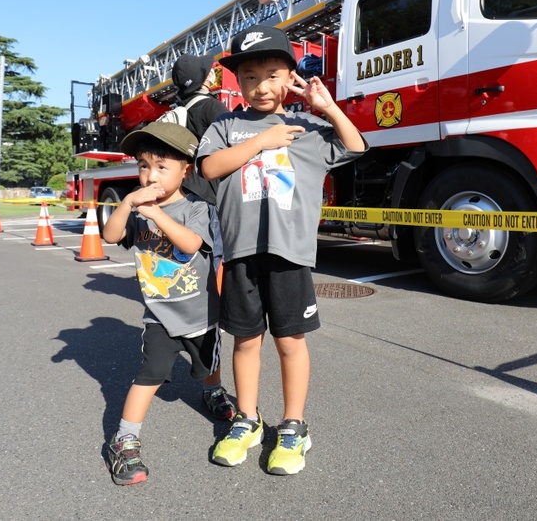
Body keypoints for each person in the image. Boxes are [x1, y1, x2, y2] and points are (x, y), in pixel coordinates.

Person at [198, 24, 367, 475]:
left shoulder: (308, 127)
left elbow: (355, 146)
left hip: (290, 253)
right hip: (240, 253)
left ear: (291, 75)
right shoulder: (225, 126)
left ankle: (294, 426)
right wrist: (258, 142)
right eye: (249, 77)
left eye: (273, 74)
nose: (261, 86)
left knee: (290, 340)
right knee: (245, 339)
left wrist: (328, 107)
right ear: (237, 82)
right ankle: (247, 420)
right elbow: (211, 167)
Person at [100, 121, 236, 486]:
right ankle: (125, 439)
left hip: (202, 311)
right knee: (150, 373)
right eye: (144, 166)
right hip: (159, 314)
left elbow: (191, 244)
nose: (151, 175)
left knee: (208, 362)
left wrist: (156, 214)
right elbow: (111, 236)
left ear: (184, 170)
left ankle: (212, 391)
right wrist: (128, 203)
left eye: (162, 166)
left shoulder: (197, 208)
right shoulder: (137, 207)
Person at [170, 54, 228, 205]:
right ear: (204, 78)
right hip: (209, 192)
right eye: (209, 70)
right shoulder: (212, 107)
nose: (212, 72)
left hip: (185, 186)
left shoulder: (180, 108)